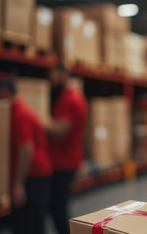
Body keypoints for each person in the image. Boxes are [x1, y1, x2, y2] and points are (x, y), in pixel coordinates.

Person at [0, 72, 53, 234]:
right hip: (32, 176)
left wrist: (18, 184)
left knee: (27, 225)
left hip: (33, 178)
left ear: (5, 92)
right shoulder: (17, 110)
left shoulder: (19, 113)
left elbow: (26, 148)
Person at [46, 64, 87, 234]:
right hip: (63, 159)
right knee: (58, 207)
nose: (52, 81)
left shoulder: (70, 99)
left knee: (58, 209)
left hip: (64, 161)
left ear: (64, 75)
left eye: (54, 76)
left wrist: (39, 121)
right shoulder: (70, 96)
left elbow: (61, 131)